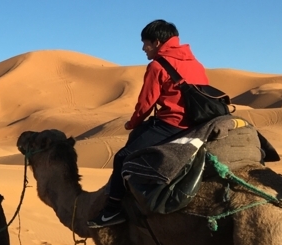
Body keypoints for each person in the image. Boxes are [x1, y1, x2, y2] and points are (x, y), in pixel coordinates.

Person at [89, 19, 210, 228]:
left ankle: (112, 210)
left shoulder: (157, 65)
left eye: (145, 43)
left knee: (122, 157)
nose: (143, 48)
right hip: (196, 124)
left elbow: (146, 102)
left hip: (171, 124)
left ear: (156, 42)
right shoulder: (196, 63)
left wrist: (133, 123)